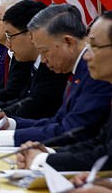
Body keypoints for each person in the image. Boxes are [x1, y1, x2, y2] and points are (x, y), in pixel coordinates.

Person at [0, 4, 112, 147]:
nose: (44, 60)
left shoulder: (94, 73)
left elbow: (73, 132)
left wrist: (4, 139)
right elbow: (58, 122)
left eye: (44, 51)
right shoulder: (80, 70)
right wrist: (10, 124)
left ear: (68, 42)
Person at [16, 11, 112, 172]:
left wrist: (42, 159)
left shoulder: (95, 78)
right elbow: (101, 144)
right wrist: (48, 153)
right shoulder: (84, 74)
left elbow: (103, 153)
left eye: (94, 46)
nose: (87, 56)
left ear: (68, 41)